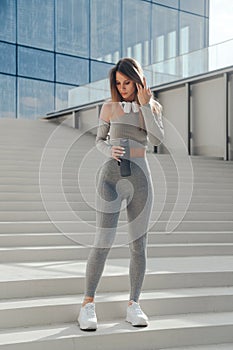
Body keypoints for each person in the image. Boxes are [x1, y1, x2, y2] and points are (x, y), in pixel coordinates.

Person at [78, 57, 164, 331]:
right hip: (110, 178)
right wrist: (108, 150)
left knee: (138, 245)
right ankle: (87, 305)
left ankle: (133, 304)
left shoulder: (151, 108)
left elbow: (158, 141)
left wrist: (147, 105)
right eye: (119, 83)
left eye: (128, 82)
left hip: (141, 178)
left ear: (138, 81)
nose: (123, 87)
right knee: (103, 240)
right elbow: (99, 140)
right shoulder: (110, 107)